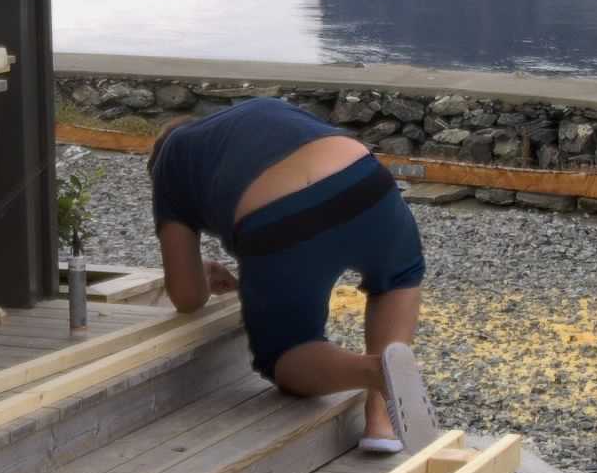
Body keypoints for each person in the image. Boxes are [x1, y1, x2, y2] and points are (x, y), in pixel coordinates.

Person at [148, 96, 428, 452]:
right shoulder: (254, 113)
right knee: (398, 277)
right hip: (365, 178)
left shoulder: (169, 160)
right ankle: (381, 423)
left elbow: (186, 297)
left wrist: (200, 275)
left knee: (285, 354)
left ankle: (376, 373)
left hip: (281, 216)